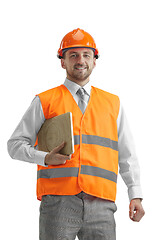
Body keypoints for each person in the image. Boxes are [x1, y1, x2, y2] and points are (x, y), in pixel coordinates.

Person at [7, 28, 145, 240]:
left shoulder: (113, 103)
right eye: (73, 55)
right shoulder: (45, 101)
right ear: (63, 61)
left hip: (102, 203)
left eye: (86, 55)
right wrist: (44, 158)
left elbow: (127, 153)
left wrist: (135, 194)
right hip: (57, 202)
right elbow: (15, 144)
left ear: (95, 60)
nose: (80, 60)